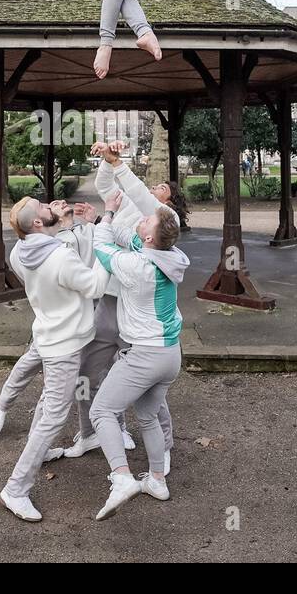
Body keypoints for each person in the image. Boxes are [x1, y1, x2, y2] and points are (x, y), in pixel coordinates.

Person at [54, 140, 186, 474]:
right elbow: (106, 191)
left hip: (135, 310)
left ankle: (163, 446)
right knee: (88, 370)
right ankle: (90, 433)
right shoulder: (132, 208)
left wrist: (118, 164)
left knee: (149, 389)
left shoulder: (158, 219)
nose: (152, 190)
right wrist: (108, 162)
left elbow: (116, 232)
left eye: (160, 189)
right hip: (109, 302)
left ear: (168, 202)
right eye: (151, 186)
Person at [0, 197, 110, 522]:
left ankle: (43, 451)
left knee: (49, 400)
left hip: (47, 335)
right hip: (66, 344)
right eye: (44, 207)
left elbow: (48, 253)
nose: (50, 205)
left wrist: (61, 226)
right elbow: (95, 286)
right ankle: (16, 489)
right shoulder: (61, 256)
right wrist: (103, 238)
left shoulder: (18, 252)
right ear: (37, 222)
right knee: (54, 416)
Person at [88, 191, 189, 520]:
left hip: (144, 355)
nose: (142, 218)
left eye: (147, 219)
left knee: (101, 411)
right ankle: (157, 480)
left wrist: (106, 213)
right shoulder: (168, 254)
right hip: (170, 354)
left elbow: (102, 249)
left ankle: (121, 478)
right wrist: (110, 219)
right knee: (147, 416)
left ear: (149, 235)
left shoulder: (138, 266)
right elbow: (126, 237)